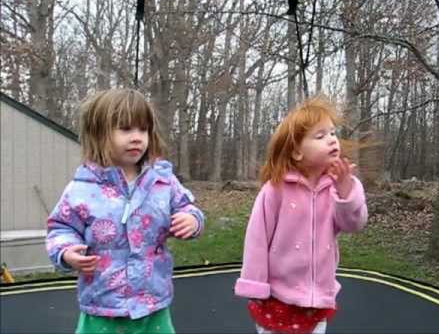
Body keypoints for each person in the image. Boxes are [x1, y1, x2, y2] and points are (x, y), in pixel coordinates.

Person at [46, 88, 204, 334]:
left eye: (143, 130)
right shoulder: (83, 188)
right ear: (98, 134)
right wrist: (66, 252)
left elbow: (187, 206)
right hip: (103, 305)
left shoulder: (162, 181)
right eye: (126, 129)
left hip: (153, 302)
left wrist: (192, 220)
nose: (137, 137)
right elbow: (61, 227)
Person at [235, 97, 368, 334]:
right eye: (320, 136)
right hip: (277, 296)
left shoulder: (338, 187)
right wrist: (256, 286)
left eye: (332, 133)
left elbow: (354, 224)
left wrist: (346, 191)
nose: (331, 139)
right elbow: (257, 239)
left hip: (318, 296)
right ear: (297, 152)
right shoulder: (275, 190)